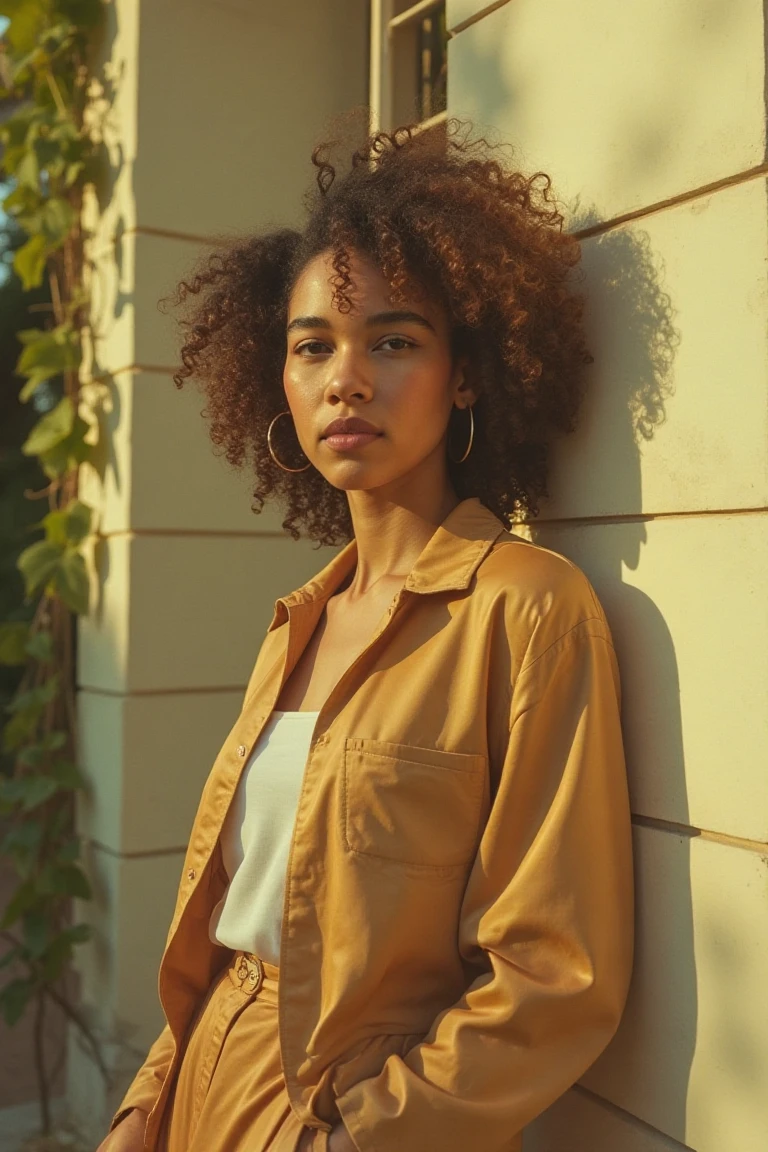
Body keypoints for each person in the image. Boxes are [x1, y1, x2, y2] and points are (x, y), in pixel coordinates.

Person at [96, 119, 634, 1152]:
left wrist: (357, 1139)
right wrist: (143, 1107)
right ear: (281, 383)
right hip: (200, 1087)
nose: (346, 379)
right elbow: (235, 915)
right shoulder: (299, 622)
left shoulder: (525, 609)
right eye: (313, 347)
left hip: (347, 1114)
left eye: (393, 341)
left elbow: (554, 973)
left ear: (465, 373)